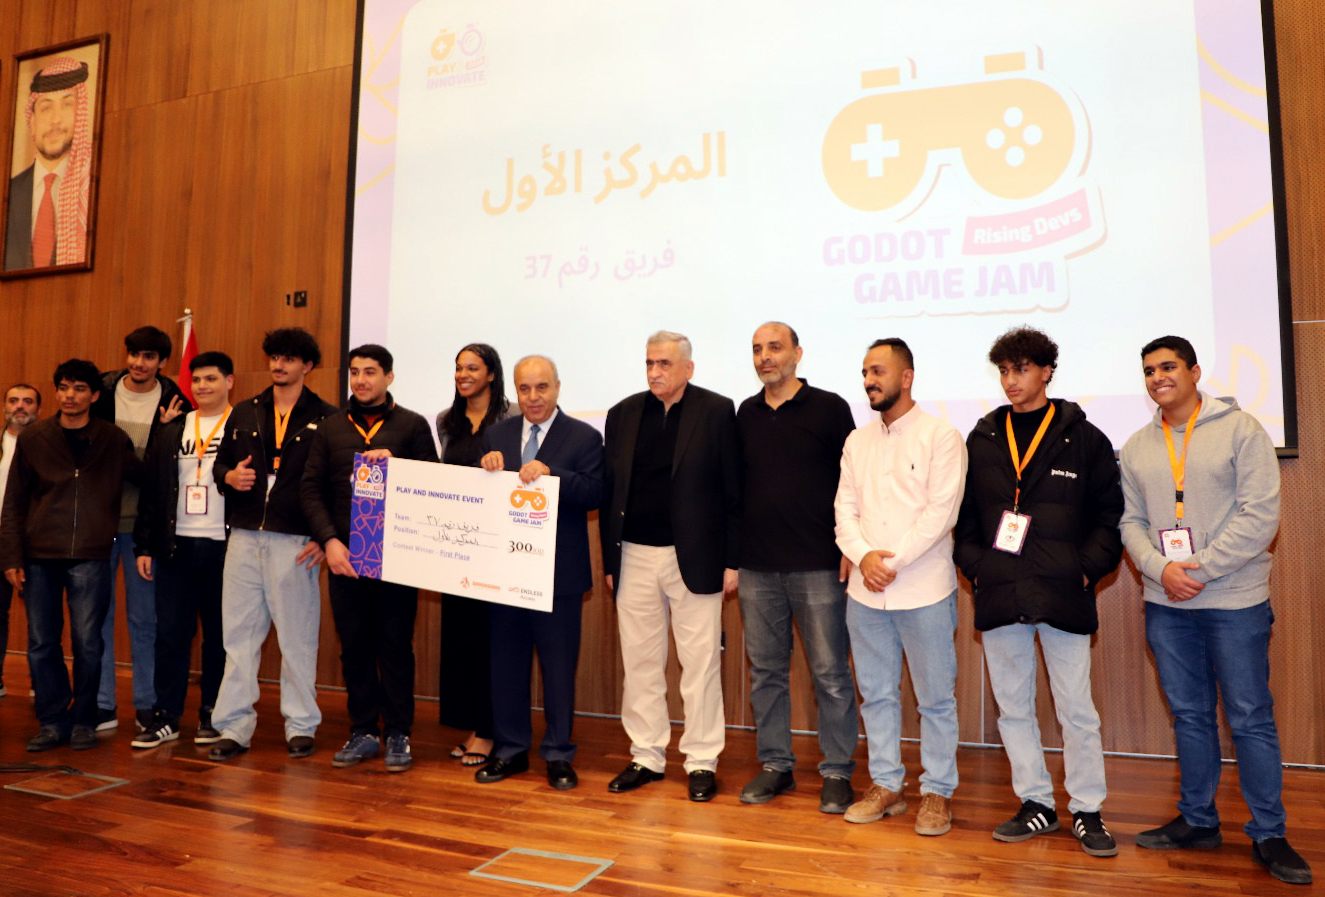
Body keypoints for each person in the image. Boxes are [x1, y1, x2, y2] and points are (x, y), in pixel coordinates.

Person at [1119, 335, 1312, 885]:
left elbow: (1260, 517)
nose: (1158, 377)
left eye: (1169, 366)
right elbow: (1130, 521)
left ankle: (1269, 832)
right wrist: (1161, 569)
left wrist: (1197, 569)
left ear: (1195, 372)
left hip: (1234, 602)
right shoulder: (1137, 446)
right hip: (1166, 603)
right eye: (1149, 370)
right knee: (1190, 716)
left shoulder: (1242, 430)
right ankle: (1198, 821)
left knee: (1250, 717)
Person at [954, 327, 1123, 857]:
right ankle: (1036, 803)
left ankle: (1088, 810)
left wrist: (1082, 570)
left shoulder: (1085, 438)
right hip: (1002, 590)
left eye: (1022, 369)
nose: (1011, 380)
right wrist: (980, 568)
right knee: (1013, 708)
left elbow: (1109, 518)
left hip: (1062, 591)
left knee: (1077, 709)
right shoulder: (983, 438)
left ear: (1047, 371)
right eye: (1004, 371)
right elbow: (965, 521)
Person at [601, 330, 740, 802]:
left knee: (700, 664)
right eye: (649, 363)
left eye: (664, 363)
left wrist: (732, 560)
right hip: (634, 555)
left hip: (696, 556)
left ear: (688, 368)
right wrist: (611, 560)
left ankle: (701, 760)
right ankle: (646, 755)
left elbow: (733, 491)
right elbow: (611, 491)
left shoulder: (716, 411)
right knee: (640, 661)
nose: (655, 372)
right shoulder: (622, 414)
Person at [834, 338, 966, 836]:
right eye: (865, 372)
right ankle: (887, 784)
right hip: (865, 592)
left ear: (906, 377)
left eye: (879, 371)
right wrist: (863, 556)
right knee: (876, 696)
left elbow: (941, 513)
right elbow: (844, 510)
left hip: (924, 589)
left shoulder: (941, 436)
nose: (869, 380)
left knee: (935, 699)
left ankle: (938, 791)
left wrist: (891, 561)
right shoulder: (857, 441)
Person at [735, 322, 859, 814]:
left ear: (798, 354)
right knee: (766, 673)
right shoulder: (744, 413)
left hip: (818, 565)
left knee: (830, 673)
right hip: (757, 568)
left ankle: (837, 770)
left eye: (774, 347)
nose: (765, 357)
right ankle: (775, 765)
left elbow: (855, 482)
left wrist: (850, 545)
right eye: (757, 350)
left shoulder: (829, 408)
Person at [301, 344, 438, 772]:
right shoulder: (330, 427)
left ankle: (398, 732)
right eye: (355, 372)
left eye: (371, 372)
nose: (361, 380)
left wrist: (399, 464)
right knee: (355, 646)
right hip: (345, 558)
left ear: (389, 377)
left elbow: (433, 483)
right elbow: (311, 489)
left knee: (395, 646)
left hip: (397, 557)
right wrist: (328, 541)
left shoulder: (412, 425)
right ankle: (362, 730)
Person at [474, 355, 604, 790]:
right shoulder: (497, 435)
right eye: (525, 388)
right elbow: (479, 497)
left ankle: (558, 754)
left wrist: (553, 475)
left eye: (542, 387)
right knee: (505, 666)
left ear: (558, 387)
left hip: (558, 577)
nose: (533, 397)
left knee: (558, 669)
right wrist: (484, 470)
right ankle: (510, 750)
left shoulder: (584, 436)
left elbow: (595, 492)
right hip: (505, 574)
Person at [206, 328, 336, 761]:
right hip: (244, 536)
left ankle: (301, 725)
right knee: (238, 637)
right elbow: (220, 465)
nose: (278, 365)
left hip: (294, 541)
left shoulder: (327, 417)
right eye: (274, 357)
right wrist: (228, 476)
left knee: (297, 639)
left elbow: (336, 485)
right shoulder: (245, 410)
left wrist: (325, 537)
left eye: (288, 359)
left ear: (307, 366)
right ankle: (233, 726)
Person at [0, 359, 142, 751]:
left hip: (91, 554)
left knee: (88, 643)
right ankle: (51, 720)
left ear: (94, 396)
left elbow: (147, 479)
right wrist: (11, 557)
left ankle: (84, 719)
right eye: (63, 387)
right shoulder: (35, 438)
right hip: (39, 555)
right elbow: (13, 502)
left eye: (79, 389)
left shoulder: (112, 439)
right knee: (41, 642)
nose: (70, 396)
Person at [130, 352, 235, 749]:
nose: (202, 386)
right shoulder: (173, 428)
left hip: (226, 547)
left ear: (229, 381)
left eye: (211, 379)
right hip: (176, 546)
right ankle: (166, 716)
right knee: (171, 634)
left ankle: (213, 713)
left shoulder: (243, 426)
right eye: (197, 380)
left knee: (219, 636)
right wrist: (144, 544)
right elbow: (153, 491)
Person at [91, 325, 191, 734]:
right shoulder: (100, 391)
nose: (139, 363)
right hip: (97, 524)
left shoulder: (176, 401)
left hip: (144, 529)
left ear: (162, 362)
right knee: (97, 617)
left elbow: (169, 469)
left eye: (149, 356)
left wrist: (162, 433)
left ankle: (147, 703)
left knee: (145, 619)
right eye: (133, 354)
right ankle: (101, 703)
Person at [434, 343, 513, 768]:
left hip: (498, 546)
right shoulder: (446, 420)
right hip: (457, 546)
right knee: (461, 639)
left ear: (491, 374)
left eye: (472, 368)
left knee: (492, 640)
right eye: (458, 367)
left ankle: (489, 730)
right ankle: (473, 725)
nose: (463, 375)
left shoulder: (513, 416)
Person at [4, 57, 93, 271]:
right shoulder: (8, 192)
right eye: (46, 108)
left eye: (67, 105)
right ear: (32, 122)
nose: (55, 119)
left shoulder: (91, 191)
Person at [0, 383, 41, 696]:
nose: (20, 406)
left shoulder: (46, 444)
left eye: (28, 401)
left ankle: (41, 684)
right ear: (4, 407)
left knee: (40, 618)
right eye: (14, 400)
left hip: (34, 541)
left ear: (38, 409)